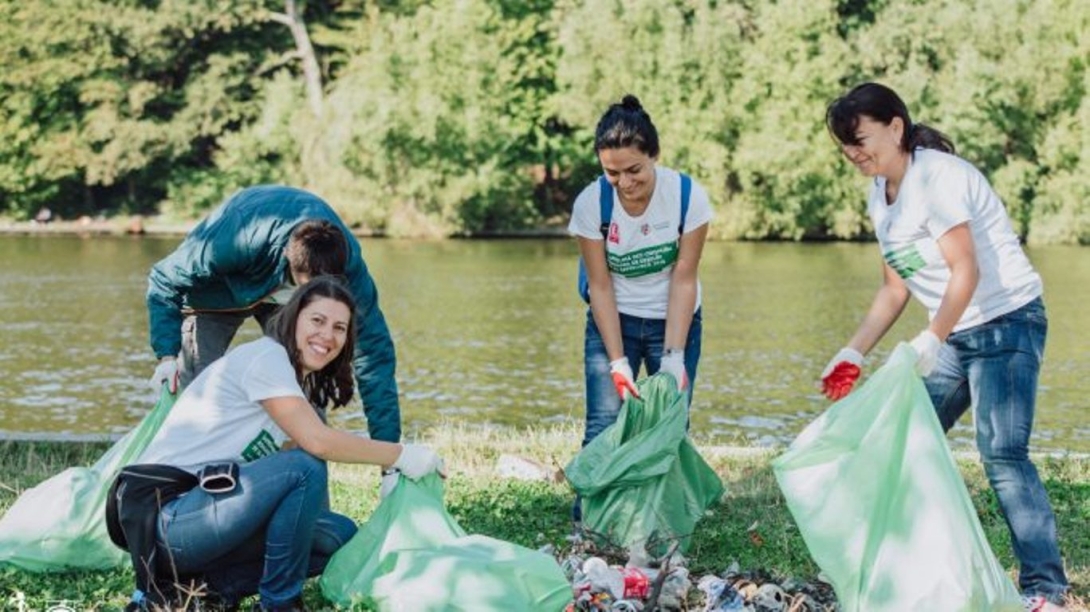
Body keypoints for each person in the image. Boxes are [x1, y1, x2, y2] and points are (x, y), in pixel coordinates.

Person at [821, 82, 1069, 611]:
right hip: (954, 332)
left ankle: (1046, 587)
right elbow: (895, 287)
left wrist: (933, 337)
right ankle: (910, 571)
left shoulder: (938, 178)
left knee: (1002, 453)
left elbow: (966, 269)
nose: (856, 154)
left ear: (896, 127)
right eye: (847, 148)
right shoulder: (879, 193)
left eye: (862, 140)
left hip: (1007, 322)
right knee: (903, 439)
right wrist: (853, 351)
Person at [127, 277, 444, 611]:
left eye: (339, 327)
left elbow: (290, 472)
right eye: (317, 320)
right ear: (294, 318)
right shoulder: (267, 358)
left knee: (338, 535)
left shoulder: (292, 383)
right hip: (164, 519)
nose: (327, 335)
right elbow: (318, 443)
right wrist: (400, 455)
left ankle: (200, 591)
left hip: (205, 517)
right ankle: (279, 603)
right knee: (304, 467)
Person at [146, 185, 401, 445]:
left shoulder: (350, 269)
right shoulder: (237, 240)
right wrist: (166, 355)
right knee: (195, 392)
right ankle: (182, 470)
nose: (321, 294)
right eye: (310, 287)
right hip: (219, 292)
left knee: (303, 387)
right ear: (287, 259)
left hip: (288, 303)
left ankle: (299, 471)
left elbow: (374, 353)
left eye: (326, 290)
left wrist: (390, 453)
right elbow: (164, 278)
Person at [567, 95, 713, 518]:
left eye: (635, 170)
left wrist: (673, 357)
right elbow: (600, 285)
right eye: (612, 173)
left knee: (671, 422)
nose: (625, 183)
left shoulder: (687, 197)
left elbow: (684, 279)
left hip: (676, 318)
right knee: (604, 423)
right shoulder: (592, 203)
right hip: (614, 319)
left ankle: (661, 517)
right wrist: (616, 361)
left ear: (655, 156)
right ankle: (592, 520)